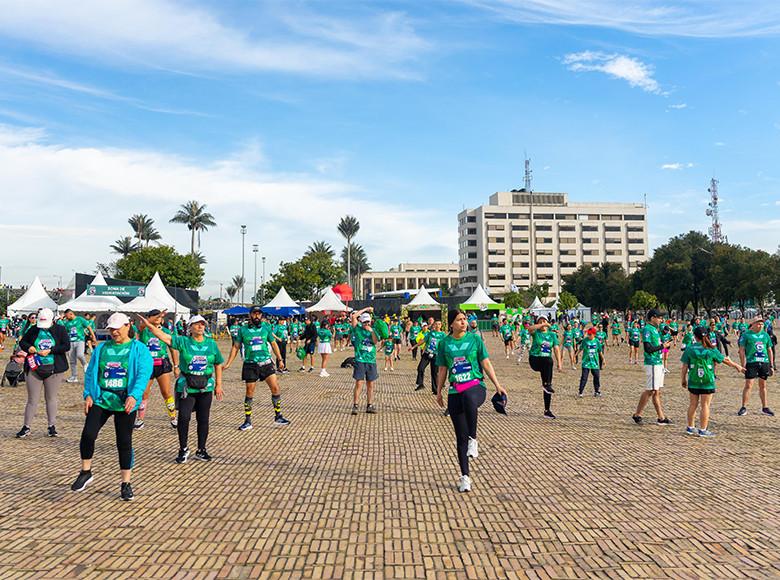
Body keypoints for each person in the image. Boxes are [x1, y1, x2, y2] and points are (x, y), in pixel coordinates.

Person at [71, 313, 153, 500]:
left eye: (117, 328)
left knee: (123, 442)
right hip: (102, 399)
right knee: (88, 434)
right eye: (111, 329)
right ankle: (85, 471)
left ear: (127, 326)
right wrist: (88, 394)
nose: (114, 332)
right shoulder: (102, 348)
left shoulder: (139, 349)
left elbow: (143, 374)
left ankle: (126, 483)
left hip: (125, 401)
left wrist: (134, 395)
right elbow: (91, 372)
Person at [436, 309, 506, 493]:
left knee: (468, 397)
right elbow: (442, 369)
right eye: (459, 320)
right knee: (460, 437)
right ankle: (465, 477)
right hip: (455, 390)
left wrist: (497, 385)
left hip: (476, 386)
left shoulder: (475, 339)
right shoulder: (444, 343)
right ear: (451, 324)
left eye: (464, 319)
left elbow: (485, 362)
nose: (463, 322)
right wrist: (439, 392)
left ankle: (473, 439)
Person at [142, 314, 224, 463]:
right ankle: (183, 448)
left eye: (203, 324)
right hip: (187, 387)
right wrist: (149, 326)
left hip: (205, 387)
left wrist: (218, 385)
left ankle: (201, 450)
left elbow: (218, 363)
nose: (200, 326)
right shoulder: (183, 341)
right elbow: (164, 337)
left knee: (203, 419)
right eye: (197, 324)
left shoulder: (211, 344)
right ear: (190, 327)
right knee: (184, 418)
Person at [224, 306, 288, 430]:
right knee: (249, 392)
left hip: (266, 363)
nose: (257, 316)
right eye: (255, 313)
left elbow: (273, 343)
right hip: (250, 364)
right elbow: (236, 347)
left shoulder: (266, 327)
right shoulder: (243, 330)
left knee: (275, 388)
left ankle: (278, 416)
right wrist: (228, 363)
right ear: (250, 315)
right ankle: (247, 421)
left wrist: (280, 359)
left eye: (259, 314)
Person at [16, 308, 71, 438]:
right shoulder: (34, 329)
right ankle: (26, 426)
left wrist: (51, 350)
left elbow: (66, 346)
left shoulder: (60, 329)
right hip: (34, 367)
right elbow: (23, 342)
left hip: (54, 368)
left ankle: (51, 426)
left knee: (51, 398)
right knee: (32, 399)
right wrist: (29, 347)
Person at [682, 326, 745, 437]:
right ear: (707, 336)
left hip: (693, 380)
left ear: (695, 336)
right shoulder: (711, 349)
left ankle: (690, 427)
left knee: (693, 404)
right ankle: (703, 429)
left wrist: (683, 379)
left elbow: (684, 366)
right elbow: (724, 360)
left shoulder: (690, 349)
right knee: (705, 405)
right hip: (707, 382)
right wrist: (737, 366)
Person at [136, 309, 178, 430]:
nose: (158, 318)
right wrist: (154, 318)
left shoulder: (166, 331)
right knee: (144, 393)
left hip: (162, 364)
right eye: (155, 316)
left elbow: (173, 349)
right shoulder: (144, 330)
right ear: (148, 317)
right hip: (146, 365)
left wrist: (176, 366)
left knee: (166, 392)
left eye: (159, 317)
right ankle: (140, 419)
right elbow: (142, 326)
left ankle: (173, 417)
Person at [632, 309, 673, 425]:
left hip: (658, 362)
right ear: (652, 318)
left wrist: (665, 343)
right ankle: (638, 414)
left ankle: (660, 417)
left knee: (656, 391)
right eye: (659, 317)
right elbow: (648, 348)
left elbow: (657, 345)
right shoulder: (647, 329)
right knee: (651, 390)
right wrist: (662, 346)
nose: (661, 320)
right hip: (652, 362)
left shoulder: (655, 329)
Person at [737, 316, 775, 417]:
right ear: (753, 325)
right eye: (758, 323)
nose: (761, 325)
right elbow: (741, 350)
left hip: (764, 362)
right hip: (751, 362)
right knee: (748, 385)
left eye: (762, 324)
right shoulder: (746, 335)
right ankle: (744, 407)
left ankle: (765, 407)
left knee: (763, 385)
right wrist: (742, 364)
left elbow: (769, 350)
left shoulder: (765, 335)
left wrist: (771, 365)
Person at [527, 315, 562, 419]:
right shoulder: (536, 333)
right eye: (540, 321)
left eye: (544, 321)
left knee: (548, 385)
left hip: (546, 364)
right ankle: (547, 385)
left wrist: (559, 363)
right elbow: (529, 329)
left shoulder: (552, 334)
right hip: (535, 359)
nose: (542, 323)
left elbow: (556, 348)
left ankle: (547, 410)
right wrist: (541, 325)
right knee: (548, 360)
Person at [350, 307, 379, 415]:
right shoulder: (357, 329)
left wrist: (371, 331)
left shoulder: (373, 330)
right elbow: (353, 316)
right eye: (364, 322)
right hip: (360, 359)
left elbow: (375, 342)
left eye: (368, 321)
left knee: (370, 384)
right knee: (359, 383)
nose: (367, 323)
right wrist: (366, 309)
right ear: (361, 322)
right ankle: (355, 405)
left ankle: (369, 405)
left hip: (371, 360)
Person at [61, 309, 96, 383]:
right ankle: (74, 376)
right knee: (72, 360)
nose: (66, 318)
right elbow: (65, 332)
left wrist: (93, 336)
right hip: (70, 342)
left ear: (71, 314)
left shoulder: (80, 319)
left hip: (80, 340)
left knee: (80, 354)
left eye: (67, 316)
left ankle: (85, 364)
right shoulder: (67, 323)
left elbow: (89, 327)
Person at [415, 320, 445, 393]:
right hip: (427, 353)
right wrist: (414, 347)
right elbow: (423, 341)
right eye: (436, 324)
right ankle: (420, 384)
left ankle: (435, 389)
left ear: (441, 325)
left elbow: (446, 344)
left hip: (436, 355)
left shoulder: (443, 335)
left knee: (434, 373)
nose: (437, 325)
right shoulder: (430, 333)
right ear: (434, 325)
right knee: (420, 368)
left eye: (439, 324)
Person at [578, 327, 603, 397]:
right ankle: (580, 391)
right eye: (588, 334)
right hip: (586, 362)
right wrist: (575, 355)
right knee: (584, 377)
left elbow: (600, 351)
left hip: (594, 363)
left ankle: (597, 391)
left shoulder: (597, 341)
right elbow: (580, 349)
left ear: (594, 334)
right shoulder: (585, 340)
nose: (589, 336)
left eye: (590, 334)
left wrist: (603, 359)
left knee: (596, 376)